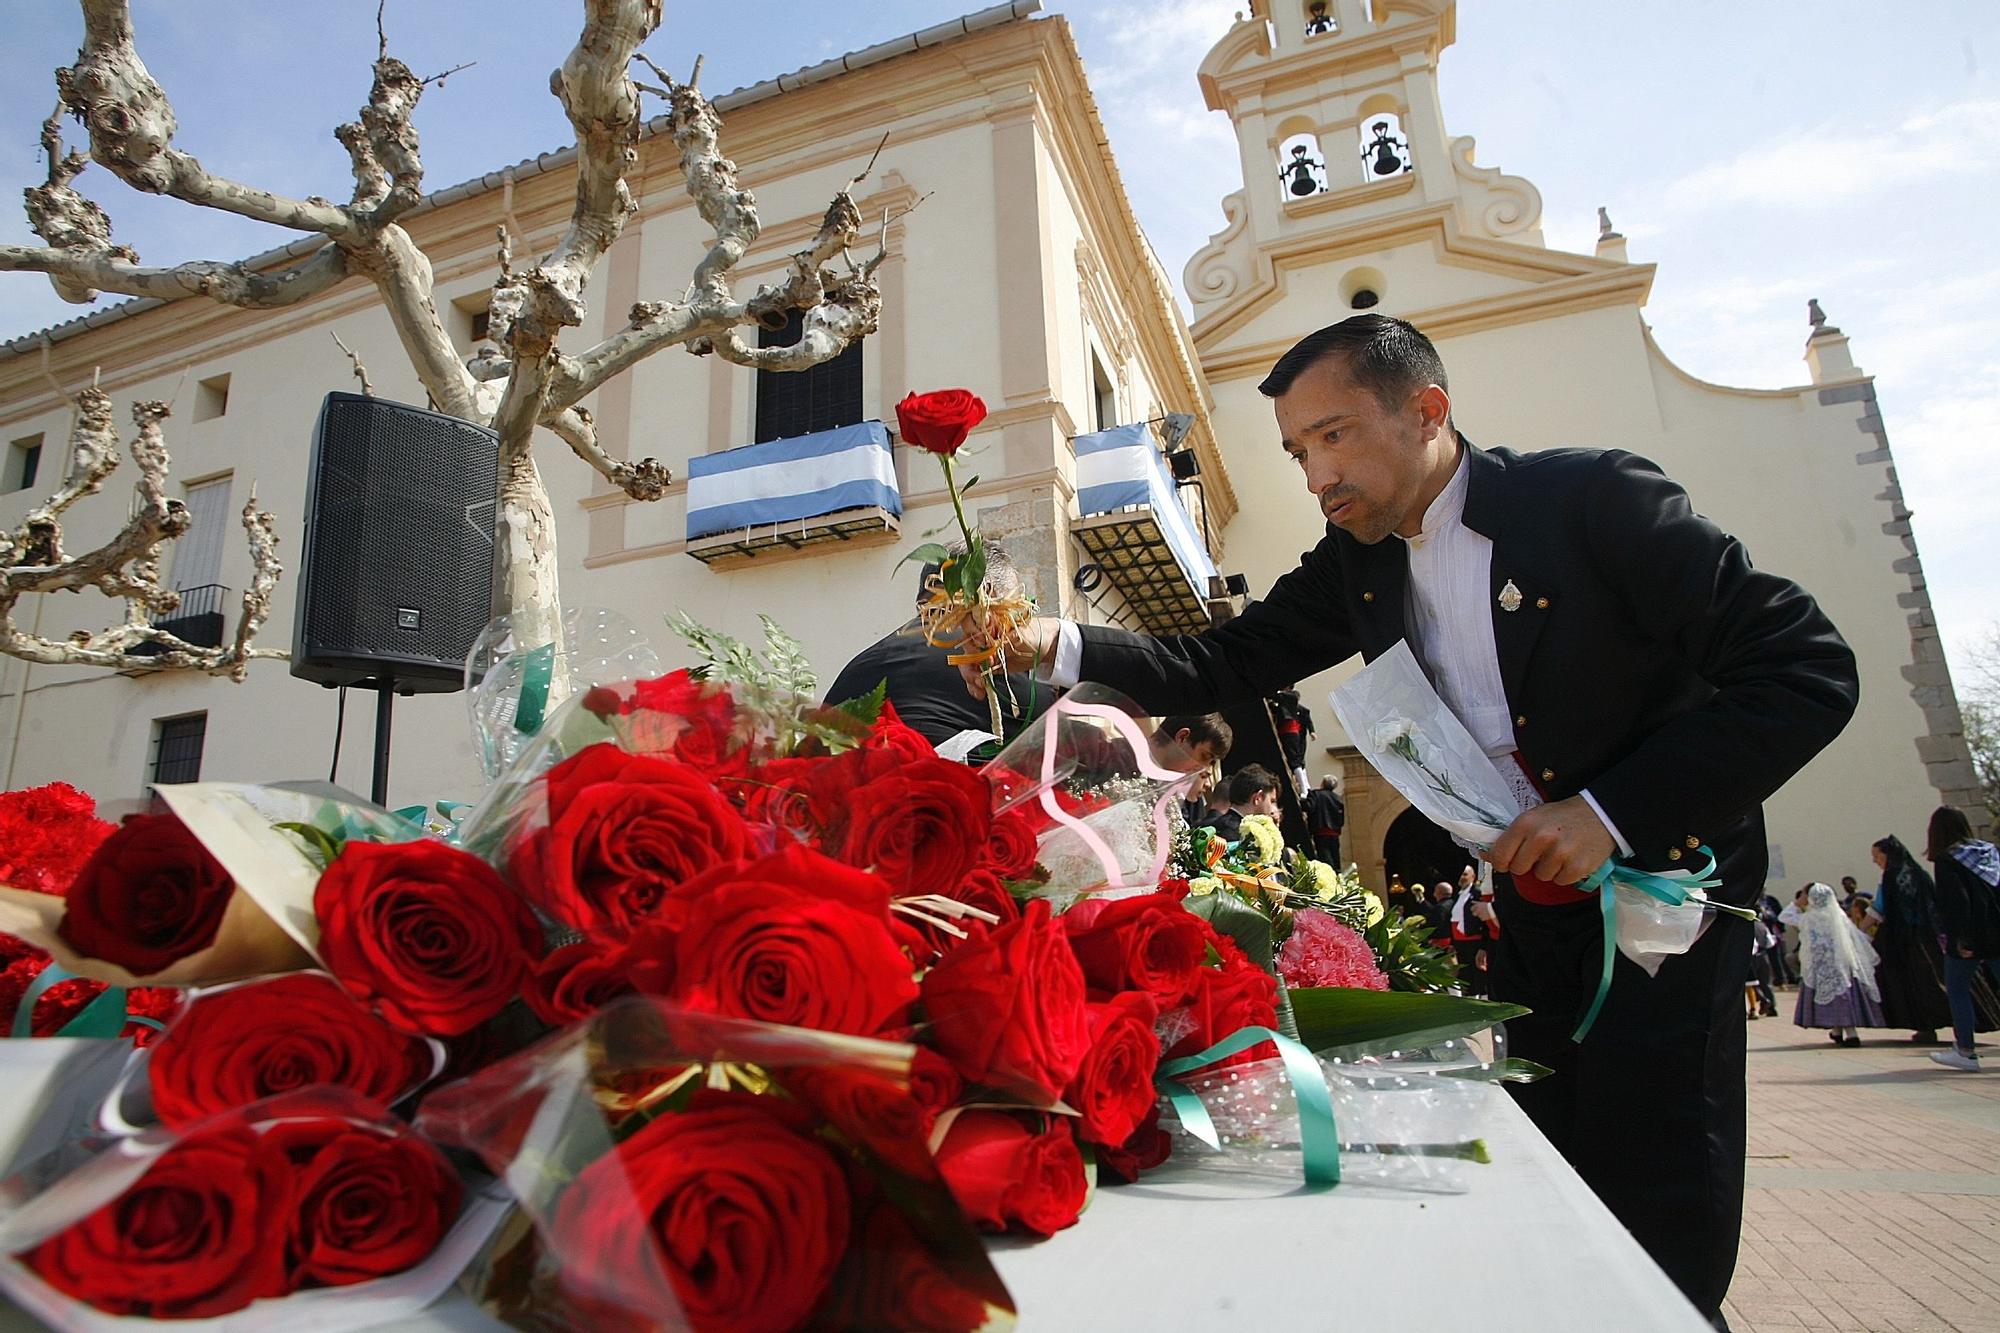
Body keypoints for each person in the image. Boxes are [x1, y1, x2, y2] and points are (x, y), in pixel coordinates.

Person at [961, 313, 1859, 1321]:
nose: (1313, 475)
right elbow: (1221, 661)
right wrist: (1046, 639)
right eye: (1298, 450)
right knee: (1551, 1141)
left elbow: (1806, 669)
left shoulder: (1595, 501)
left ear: (1426, 410)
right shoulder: (1359, 559)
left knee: (1657, 1164)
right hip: (1531, 906)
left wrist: (1606, 813)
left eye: (1334, 435)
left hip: (1663, 899)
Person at [825, 545, 1045, 749]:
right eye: (1020, 610)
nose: (1020, 626)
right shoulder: (998, 659)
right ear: (995, 600)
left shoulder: (859, 667)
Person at [1925, 806, 2000, 1072]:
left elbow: (1957, 902)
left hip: (1973, 936)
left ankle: (1966, 1051)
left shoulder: (1948, 860)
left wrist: (1960, 939)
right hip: (1998, 930)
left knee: (1957, 989)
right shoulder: (1990, 853)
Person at [1867, 835, 1953, 1043]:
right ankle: (1956, 1021)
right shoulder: (1919, 875)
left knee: (1912, 984)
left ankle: (1926, 1026)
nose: (1875, 861)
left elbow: (1879, 908)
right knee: (1936, 981)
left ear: (1887, 855)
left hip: (1904, 941)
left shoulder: (1892, 877)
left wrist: (1857, 931)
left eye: (1876, 856)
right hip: (1930, 939)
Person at [1793, 882, 1883, 1046]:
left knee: (1837, 999)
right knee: (1843, 997)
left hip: (1822, 966)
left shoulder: (1809, 918)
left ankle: (1851, 1034)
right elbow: (1852, 939)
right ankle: (1837, 1031)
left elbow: (1807, 942)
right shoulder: (1840, 916)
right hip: (1842, 964)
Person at [1195, 764, 1280, 843]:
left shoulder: (1206, 826)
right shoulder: (1241, 838)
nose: (1272, 809)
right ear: (1258, 797)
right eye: (1271, 801)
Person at [1303, 775, 1345, 866]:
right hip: (1334, 833)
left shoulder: (1315, 794)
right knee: (1335, 860)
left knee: (1325, 860)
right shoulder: (1338, 798)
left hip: (1320, 831)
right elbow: (1341, 819)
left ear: (1323, 783)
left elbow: (1309, 807)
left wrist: (1302, 800)